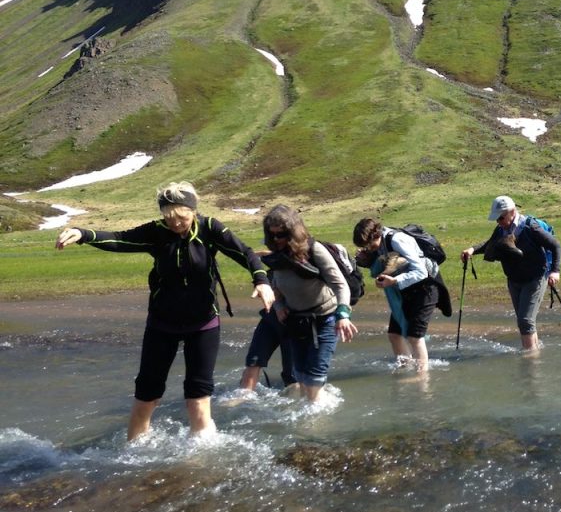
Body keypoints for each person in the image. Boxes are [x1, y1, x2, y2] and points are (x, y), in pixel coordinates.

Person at [55, 181, 274, 440]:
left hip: (203, 324)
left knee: (198, 395)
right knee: (147, 394)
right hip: (162, 324)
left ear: (193, 210)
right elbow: (120, 239)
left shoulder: (210, 228)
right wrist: (84, 234)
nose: (176, 224)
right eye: (169, 218)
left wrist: (261, 281)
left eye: (182, 217)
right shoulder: (156, 232)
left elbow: (246, 253)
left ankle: (201, 455)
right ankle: (134, 450)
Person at [241, 204, 357, 401]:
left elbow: (340, 284)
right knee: (302, 378)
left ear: (293, 232)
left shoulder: (314, 249)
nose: (277, 240)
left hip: (324, 320)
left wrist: (343, 314)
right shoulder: (277, 255)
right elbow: (276, 286)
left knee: (314, 380)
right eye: (273, 235)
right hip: (295, 322)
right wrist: (278, 307)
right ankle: (307, 420)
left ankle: (315, 426)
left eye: (282, 235)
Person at [461, 195, 561, 352]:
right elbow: (490, 244)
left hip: (534, 278)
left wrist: (555, 272)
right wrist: (473, 249)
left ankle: (529, 359)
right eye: (496, 219)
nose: (498, 222)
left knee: (525, 320)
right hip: (514, 279)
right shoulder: (501, 229)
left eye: (501, 217)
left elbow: (555, 245)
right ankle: (534, 350)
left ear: (512, 212)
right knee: (525, 321)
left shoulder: (530, 227)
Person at [353, 218, 451, 372]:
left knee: (415, 336)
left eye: (369, 245)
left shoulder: (397, 240)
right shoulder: (380, 243)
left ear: (376, 235)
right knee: (394, 335)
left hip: (426, 287)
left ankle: (421, 377)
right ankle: (406, 369)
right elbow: (384, 264)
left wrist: (394, 281)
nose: (369, 249)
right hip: (406, 290)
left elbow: (421, 272)